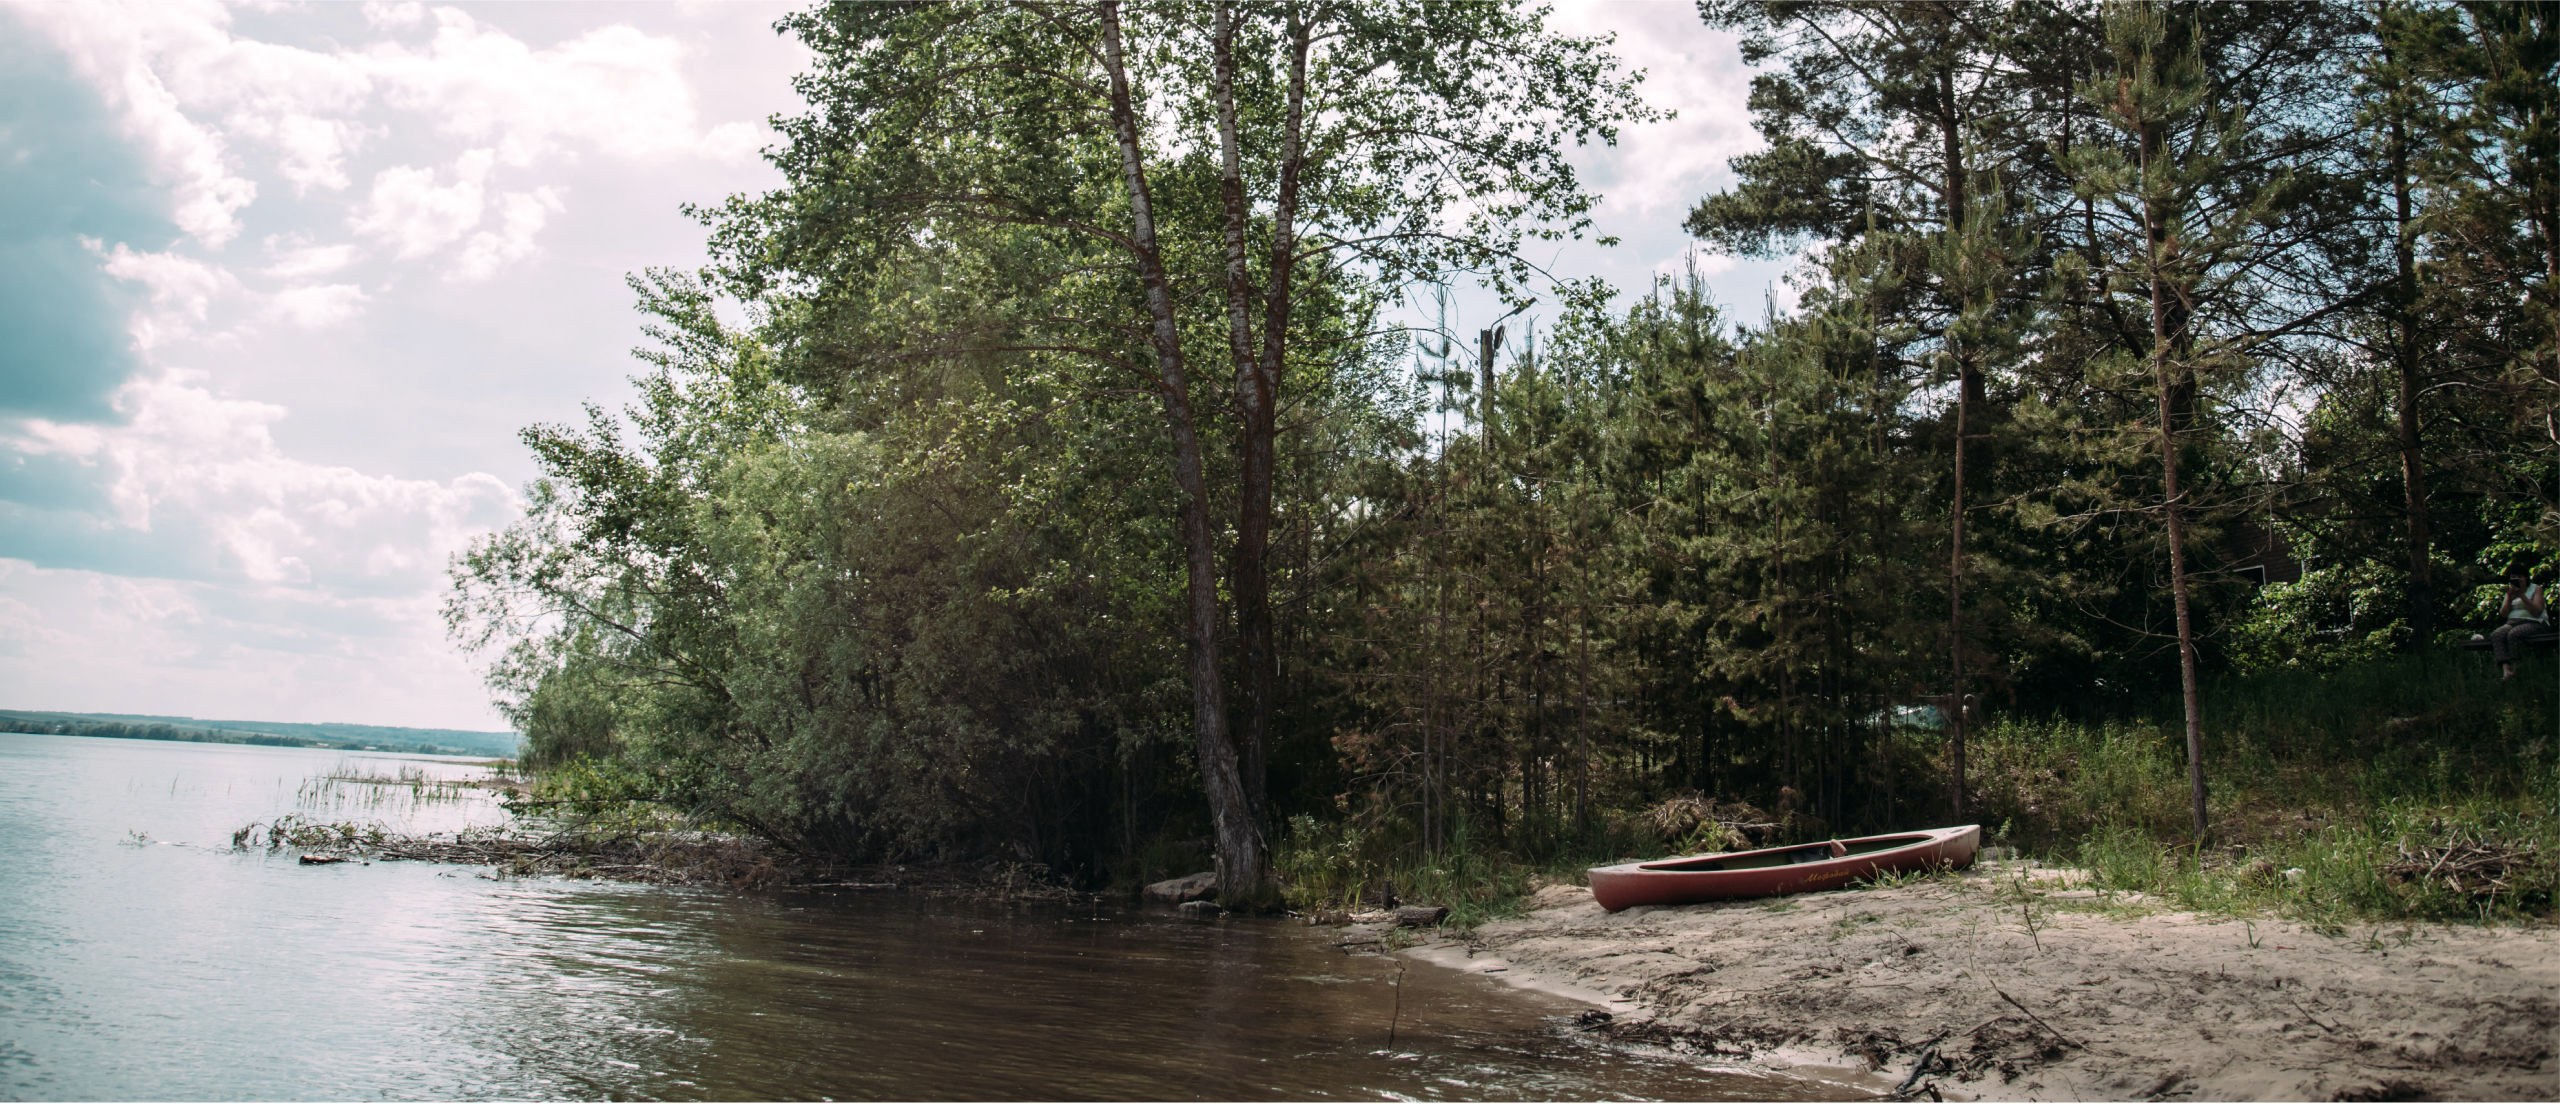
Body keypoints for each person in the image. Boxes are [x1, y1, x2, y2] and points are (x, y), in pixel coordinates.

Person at [2489, 570, 2552, 680]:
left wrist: (2522, 596)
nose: (2517, 579)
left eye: (2520, 576)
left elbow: (2537, 611)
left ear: (2526, 578)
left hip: (2534, 622)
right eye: (2514, 577)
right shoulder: (2510, 591)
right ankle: (2506, 669)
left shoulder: (2536, 589)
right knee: (2497, 635)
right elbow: (2503, 614)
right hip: (2513, 622)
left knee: (2514, 634)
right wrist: (2509, 597)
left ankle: (2516, 668)